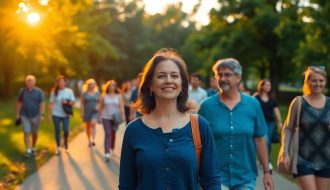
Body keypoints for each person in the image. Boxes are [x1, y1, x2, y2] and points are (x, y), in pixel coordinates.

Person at [119, 48, 221, 190]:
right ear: (150, 85)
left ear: (182, 85)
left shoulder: (199, 126)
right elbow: (126, 185)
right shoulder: (133, 130)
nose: (168, 81)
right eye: (161, 76)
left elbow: (212, 181)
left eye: (174, 76)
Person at [198, 58, 274, 190]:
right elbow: (197, 141)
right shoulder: (207, 106)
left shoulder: (253, 104)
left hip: (245, 176)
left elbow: (260, 139)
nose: (222, 79)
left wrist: (267, 172)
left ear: (238, 77)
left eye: (227, 75)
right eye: (219, 75)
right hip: (215, 176)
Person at [278, 66, 329, 190]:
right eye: (314, 80)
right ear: (307, 82)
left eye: (321, 80)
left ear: (325, 82)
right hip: (303, 158)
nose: (318, 84)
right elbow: (288, 129)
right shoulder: (299, 102)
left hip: (327, 158)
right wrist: (285, 153)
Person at [253, 79, 283, 171]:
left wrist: (280, 122)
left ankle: (266, 161)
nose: (268, 87)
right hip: (259, 123)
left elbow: (276, 110)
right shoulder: (256, 97)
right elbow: (252, 109)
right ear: (261, 86)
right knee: (263, 140)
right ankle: (264, 161)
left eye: (269, 86)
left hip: (270, 123)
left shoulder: (272, 99)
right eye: (266, 85)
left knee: (268, 141)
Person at [16, 75, 45, 157]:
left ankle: (33, 146)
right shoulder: (22, 91)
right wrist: (17, 114)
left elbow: (42, 103)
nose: (30, 83)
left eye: (31, 81)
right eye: (28, 82)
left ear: (34, 82)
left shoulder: (39, 92)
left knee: (35, 133)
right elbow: (19, 103)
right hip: (24, 115)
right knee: (26, 131)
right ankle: (28, 150)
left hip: (36, 116)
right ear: (26, 83)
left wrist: (42, 114)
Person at [98, 80, 125, 161]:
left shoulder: (118, 96)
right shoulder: (104, 96)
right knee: (108, 133)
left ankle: (112, 147)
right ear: (108, 87)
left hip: (115, 118)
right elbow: (100, 107)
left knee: (113, 134)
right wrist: (99, 117)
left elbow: (121, 106)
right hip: (105, 117)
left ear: (115, 87)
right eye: (110, 86)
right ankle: (107, 152)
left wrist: (123, 115)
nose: (111, 88)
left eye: (113, 86)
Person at [49, 75, 75, 155]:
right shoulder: (54, 92)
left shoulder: (69, 91)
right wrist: (50, 115)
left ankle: (66, 141)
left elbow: (73, 102)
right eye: (59, 82)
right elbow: (51, 104)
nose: (61, 83)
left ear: (65, 82)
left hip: (65, 115)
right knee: (57, 130)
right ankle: (58, 147)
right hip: (56, 114)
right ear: (57, 83)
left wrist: (66, 102)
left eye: (63, 81)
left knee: (66, 130)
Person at [80, 79, 100, 147]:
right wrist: (81, 112)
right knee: (88, 126)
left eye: (93, 84)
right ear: (88, 85)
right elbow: (82, 104)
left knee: (93, 124)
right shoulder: (84, 93)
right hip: (87, 111)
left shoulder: (97, 93)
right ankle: (89, 140)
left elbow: (100, 102)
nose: (92, 86)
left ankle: (93, 140)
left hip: (95, 112)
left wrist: (98, 106)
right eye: (90, 84)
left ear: (95, 85)